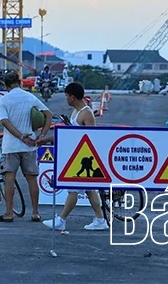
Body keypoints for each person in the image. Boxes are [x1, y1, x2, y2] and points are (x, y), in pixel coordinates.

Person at [42, 83, 107, 231]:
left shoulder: (86, 113)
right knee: (89, 189)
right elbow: (69, 134)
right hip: (77, 156)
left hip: (83, 158)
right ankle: (100, 220)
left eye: (66, 96)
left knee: (73, 190)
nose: (65, 99)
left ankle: (61, 220)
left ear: (72, 97)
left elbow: (92, 138)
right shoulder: (75, 112)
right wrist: (46, 140)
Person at [0, 71, 52, 222]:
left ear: (5, 85)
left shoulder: (4, 99)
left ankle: (9, 213)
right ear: (19, 82)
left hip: (10, 146)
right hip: (30, 145)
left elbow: (4, 121)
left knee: (9, 179)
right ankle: (35, 213)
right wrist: (42, 134)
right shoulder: (29, 97)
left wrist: (20, 136)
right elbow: (49, 114)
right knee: (32, 179)